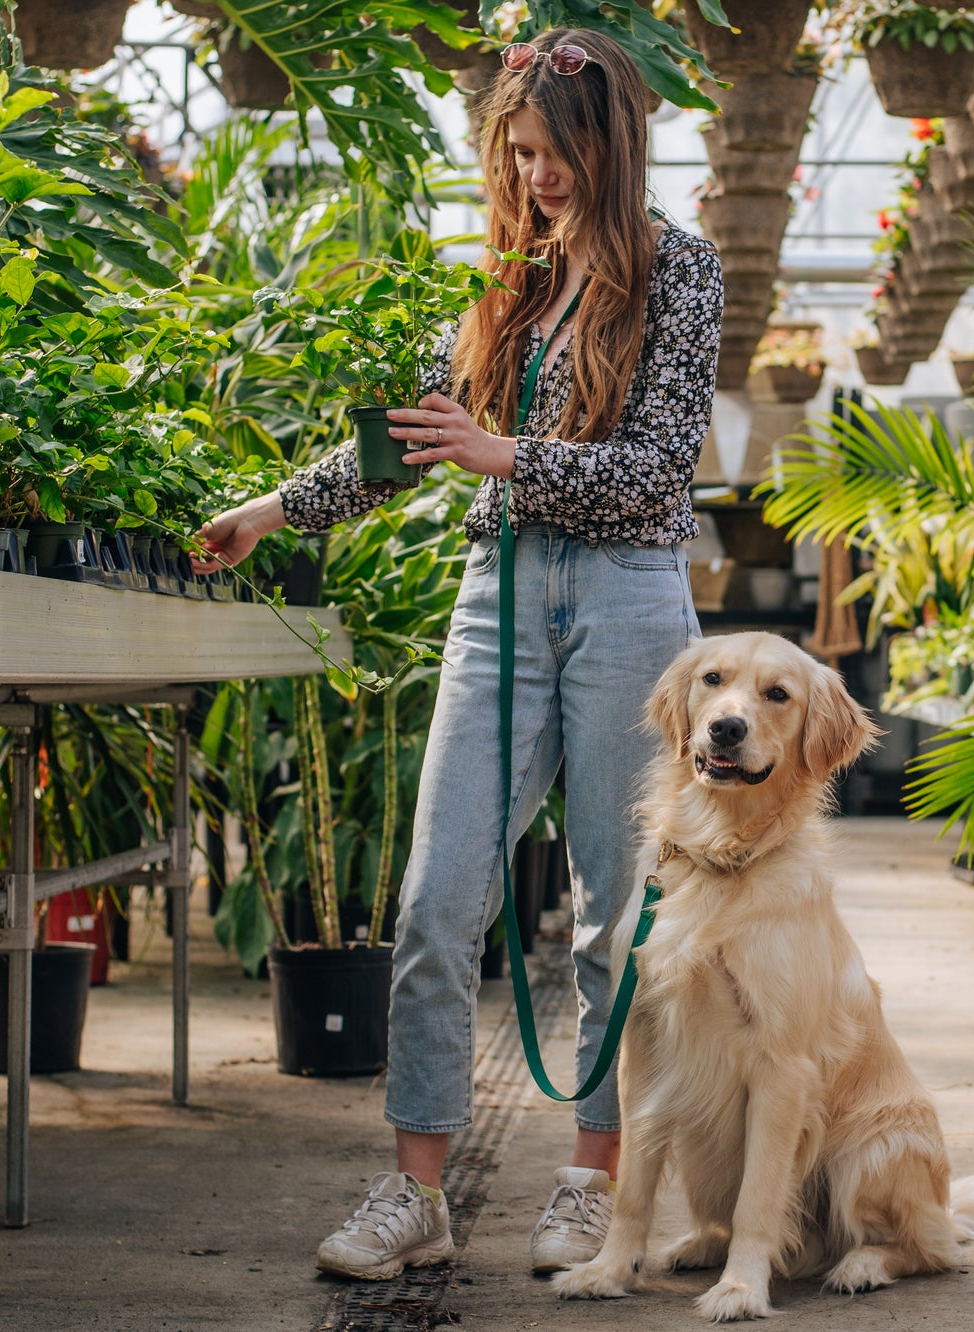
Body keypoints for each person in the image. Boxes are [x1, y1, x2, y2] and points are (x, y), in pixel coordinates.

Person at [191, 27, 722, 1281]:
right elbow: (408, 445)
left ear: (609, 145)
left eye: (553, 152)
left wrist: (511, 458)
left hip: (628, 598)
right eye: (518, 152)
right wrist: (272, 511)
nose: (534, 176)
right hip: (500, 595)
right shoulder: (509, 285)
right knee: (435, 902)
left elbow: (659, 469)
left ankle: (592, 1183)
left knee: (617, 914)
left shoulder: (678, 273)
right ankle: (413, 1192)